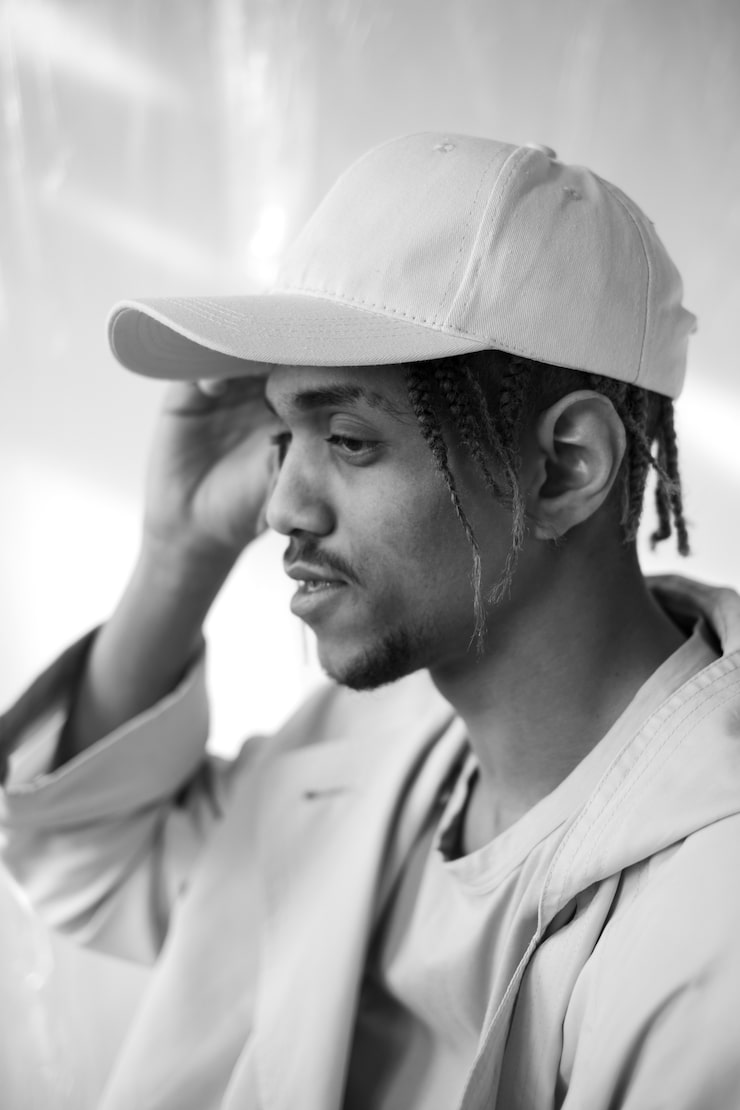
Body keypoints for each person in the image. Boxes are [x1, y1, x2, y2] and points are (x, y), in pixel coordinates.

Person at [2, 132, 740, 1110]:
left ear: (564, 466)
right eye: (284, 435)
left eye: (348, 439)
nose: (280, 507)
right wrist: (179, 551)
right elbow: (83, 859)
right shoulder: (376, 744)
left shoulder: (714, 917)